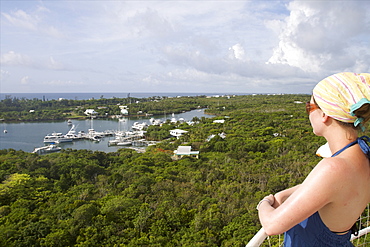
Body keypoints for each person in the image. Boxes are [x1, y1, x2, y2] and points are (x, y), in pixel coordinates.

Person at [257, 72, 370, 246]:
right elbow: (325, 188)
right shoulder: (362, 155)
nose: (308, 114)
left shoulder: (334, 167)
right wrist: (283, 194)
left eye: (309, 108)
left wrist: (264, 203)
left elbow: (272, 226)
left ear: (324, 114)